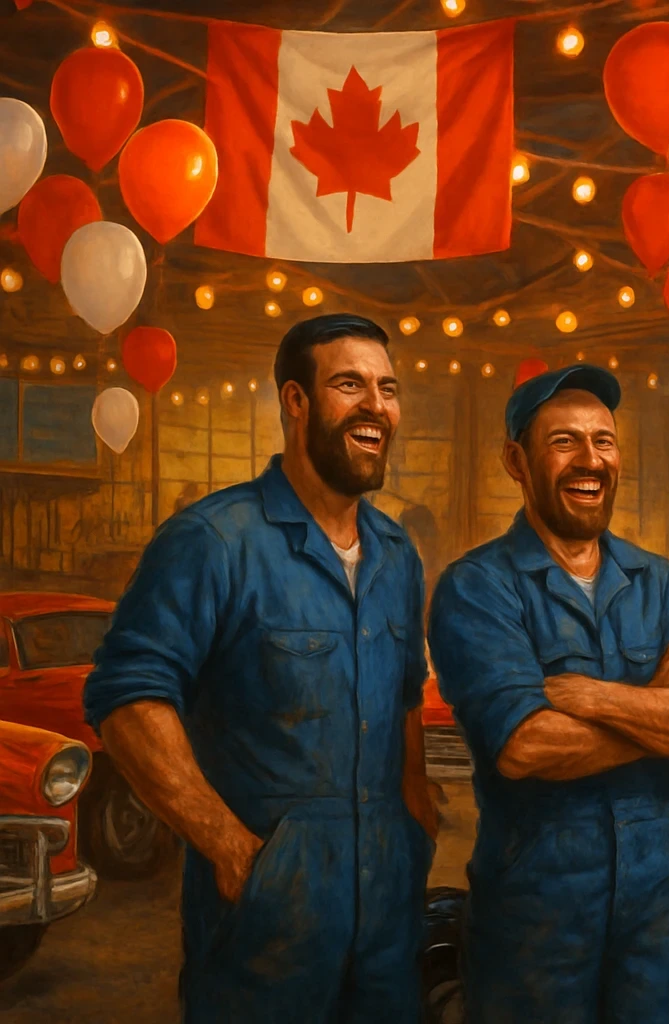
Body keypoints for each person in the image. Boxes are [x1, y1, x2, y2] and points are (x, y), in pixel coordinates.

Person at [83, 314, 438, 1023]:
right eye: (350, 384)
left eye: (388, 388)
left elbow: (404, 699)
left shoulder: (397, 555)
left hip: (387, 923)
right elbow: (128, 700)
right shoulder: (213, 541)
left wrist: (415, 826)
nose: (376, 406)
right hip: (265, 930)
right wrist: (230, 847)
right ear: (295, 401)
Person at [428, 366, 669, 1024]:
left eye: (603, 441)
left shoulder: (665, 586)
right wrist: (662, 706)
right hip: (534, 915)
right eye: (564, 441)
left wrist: (601, 699)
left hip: (659, 913)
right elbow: (526, 746)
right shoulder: (477, 588)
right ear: (516, 462)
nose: (590, 460)